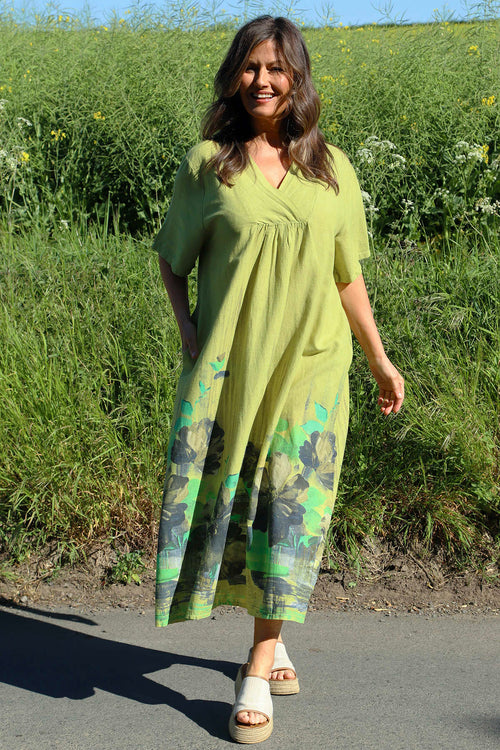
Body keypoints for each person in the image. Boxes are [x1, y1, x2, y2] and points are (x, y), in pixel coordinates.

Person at [153, 15, 404, 744]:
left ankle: (258, 668)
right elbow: (171, 257)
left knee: (290, 511)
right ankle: (275, 633)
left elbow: (346, 275)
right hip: (233, 370)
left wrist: (379, 357)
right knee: (239, 504)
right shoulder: (209, 164)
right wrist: (188, 328)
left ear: (297, 77)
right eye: (250, 67)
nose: (262, 81)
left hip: (312, 370)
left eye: (276, 68)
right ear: (235, 75)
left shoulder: (333, 169)